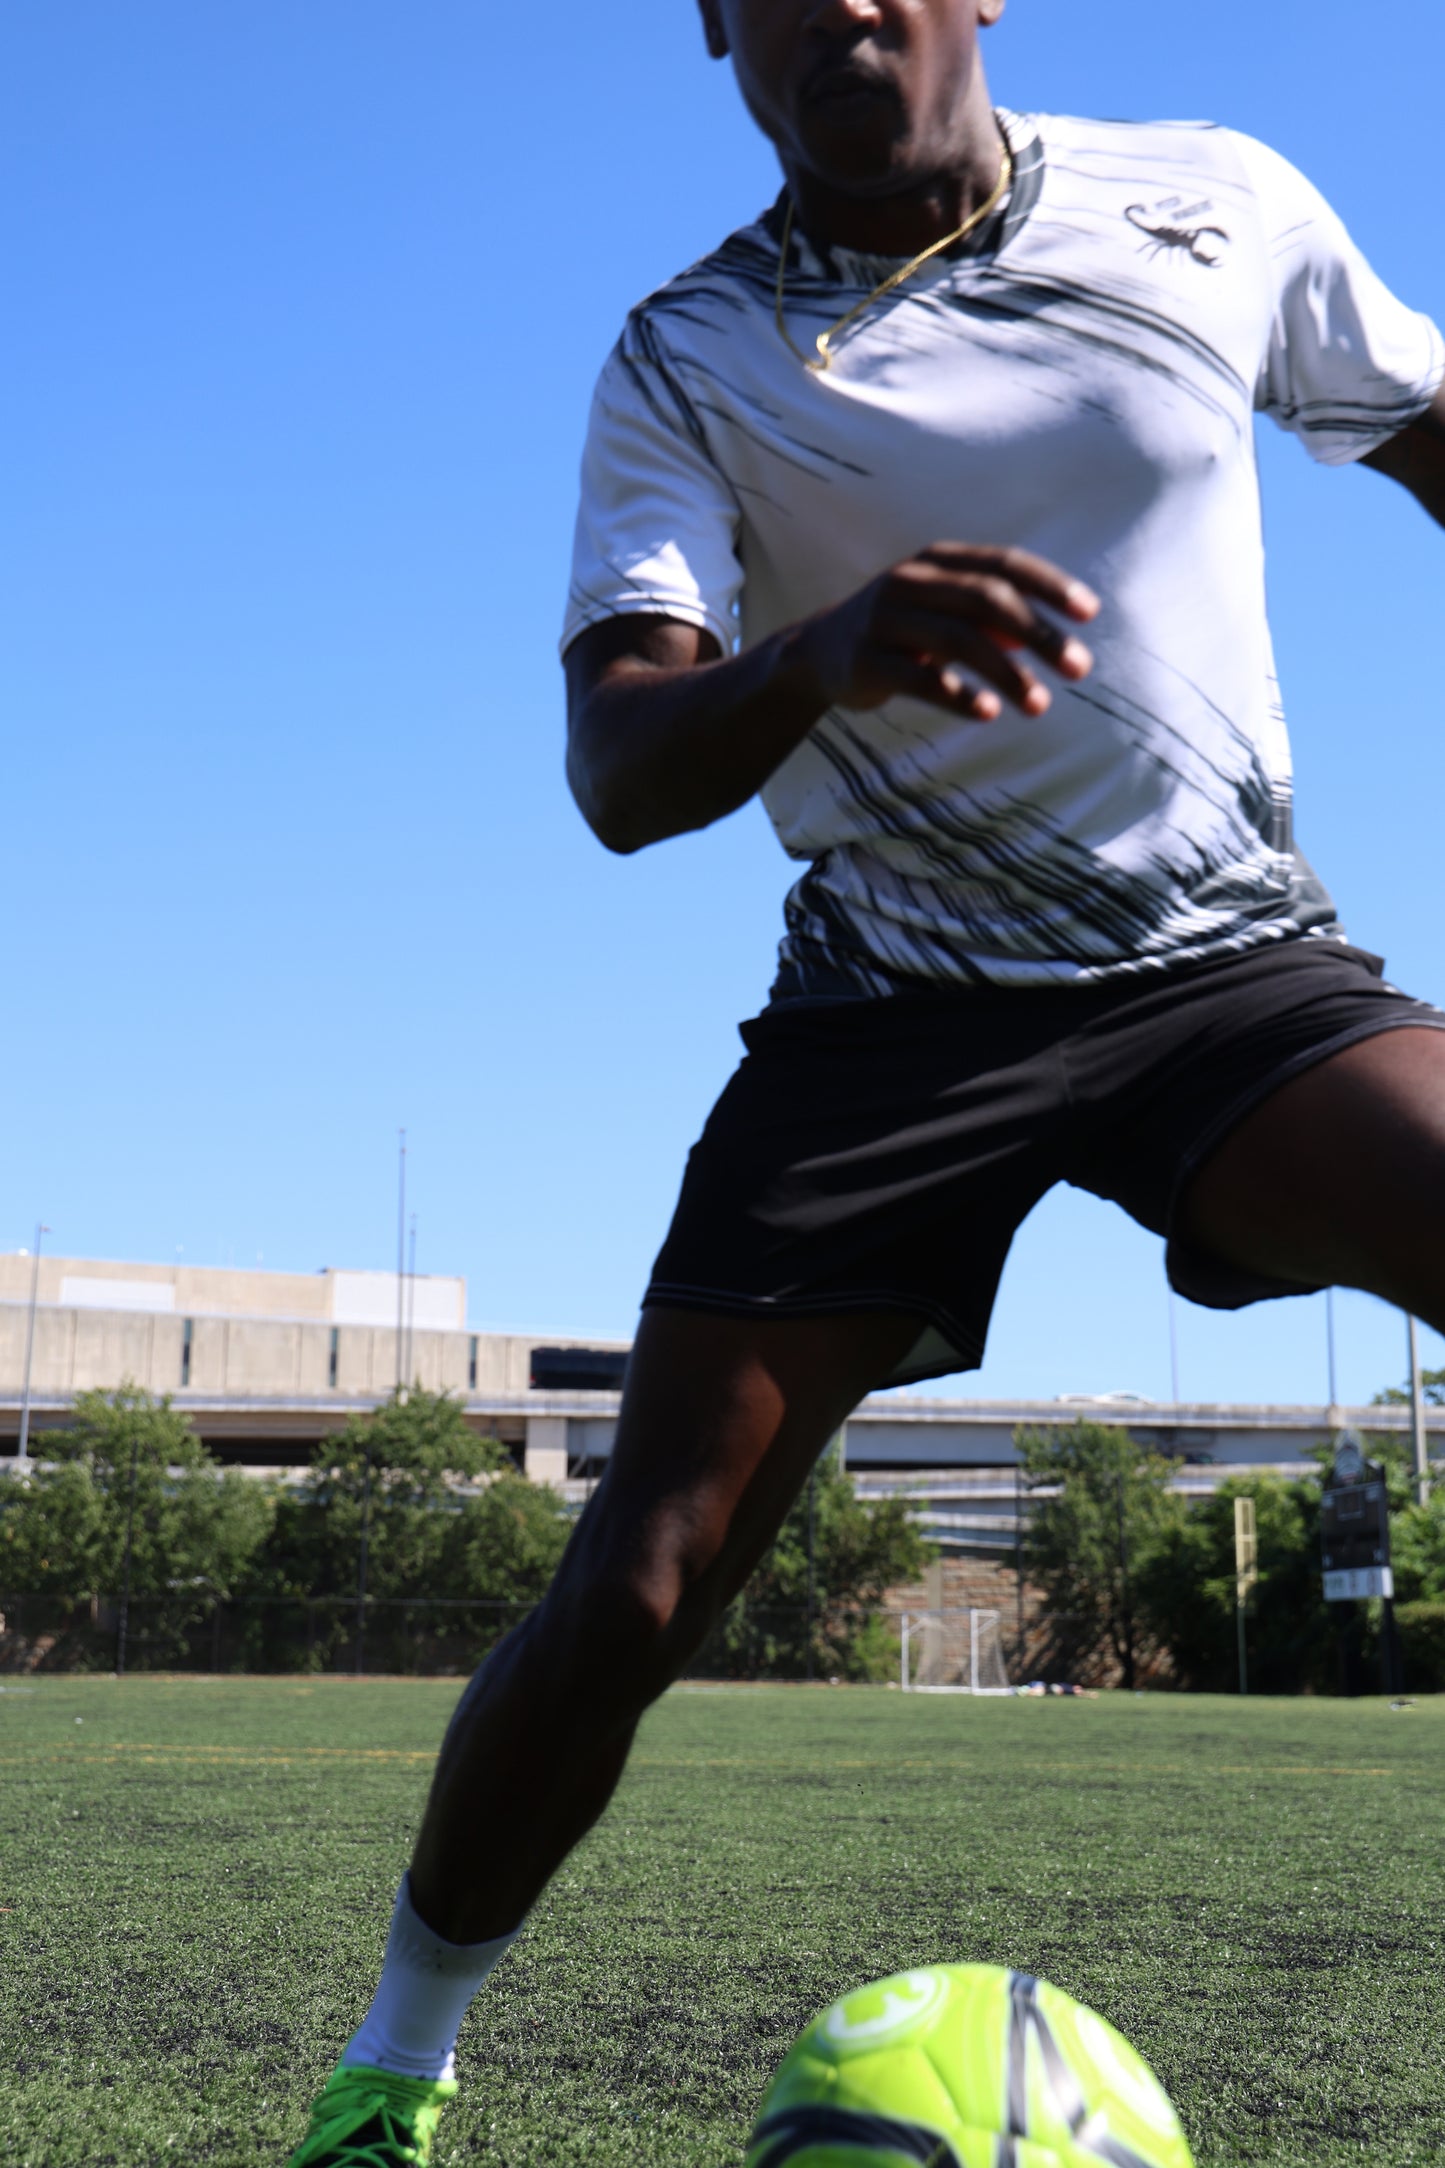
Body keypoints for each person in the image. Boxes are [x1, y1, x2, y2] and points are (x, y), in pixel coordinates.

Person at [287, 1, 1445, 2159]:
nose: (832, 5)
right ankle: (389, 2080)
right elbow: (619, 770)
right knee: (641, 1577)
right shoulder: (688, 356)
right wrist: (821, 651)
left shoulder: (1214, 203)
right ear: (713, 31)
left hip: (1223, 973)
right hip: (888, 1015)